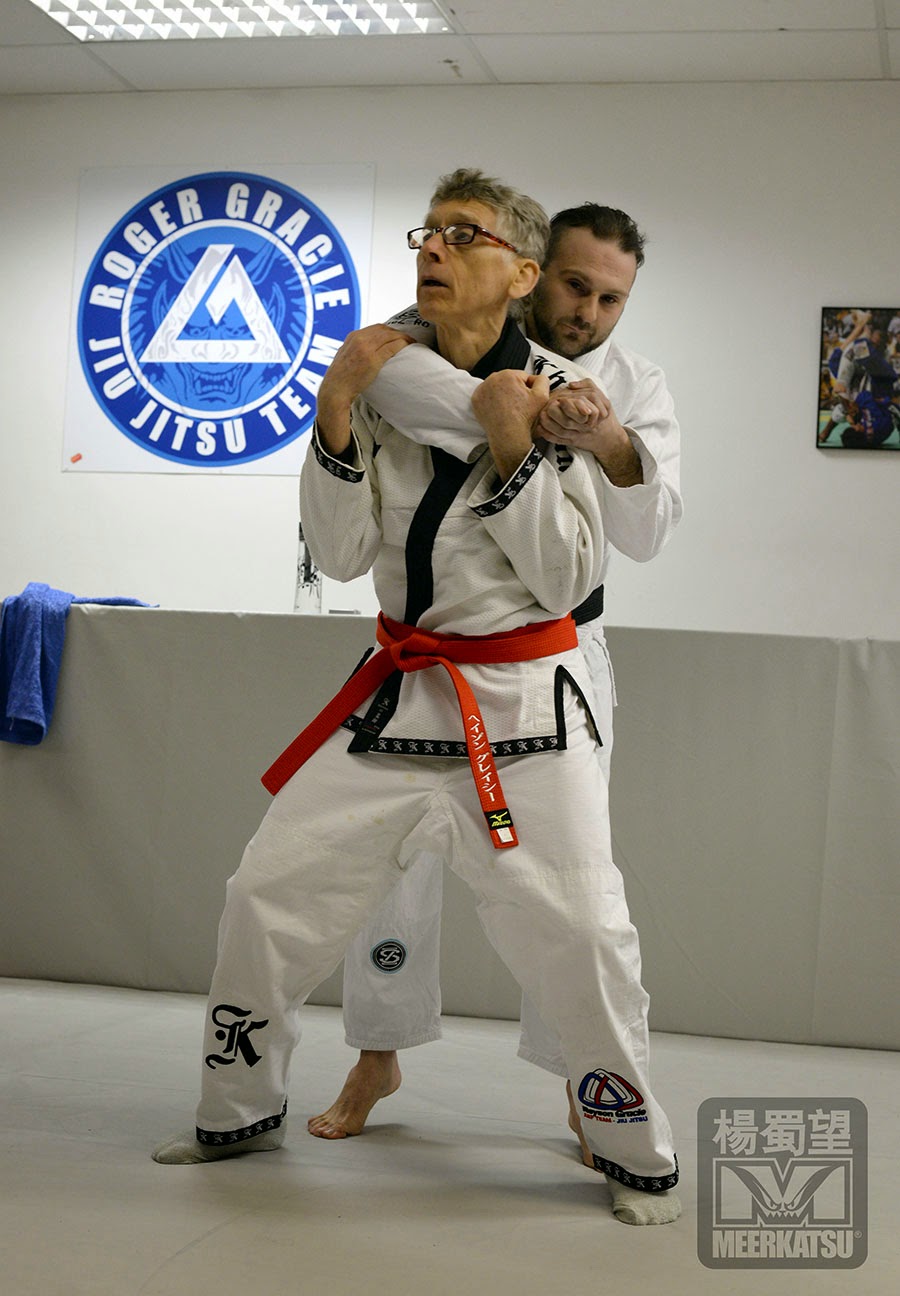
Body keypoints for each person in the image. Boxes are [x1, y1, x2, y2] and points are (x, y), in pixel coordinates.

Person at [153, 168, 680, 1226]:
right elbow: (342, 553)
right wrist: (336, 404)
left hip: (527, 705)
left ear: (520, 273)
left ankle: (632, 1151)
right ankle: (237, 1109)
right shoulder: (383, 367)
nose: (433, 247)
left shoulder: (568, 400)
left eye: (463, 234)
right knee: (265, 895)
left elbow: (568, 580)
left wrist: (516, 436)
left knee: (583, 933)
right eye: (428, 232)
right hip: (399, 694)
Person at [307, 204, 681, 1169]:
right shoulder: (418, 344)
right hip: (426, 644)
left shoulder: (634, 383)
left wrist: (607, 440)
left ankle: (585, 1086)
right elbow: (414, 406)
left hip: (559, 654)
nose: (589, 311)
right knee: (390, 861)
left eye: (611, 299)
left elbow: (649, 529)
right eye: (575, 285)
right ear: (529, 271)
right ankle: (376, 1056)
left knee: (570, 889)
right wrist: (527, 415)